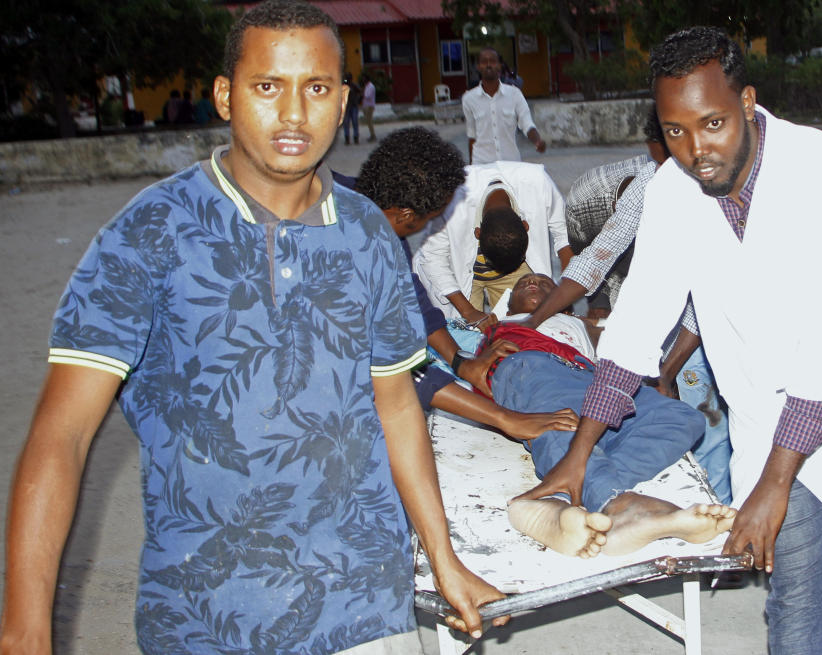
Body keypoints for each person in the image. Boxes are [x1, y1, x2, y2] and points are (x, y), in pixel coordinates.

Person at [0, 3, 507, 654]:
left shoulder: (369, 234)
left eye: (317, 88)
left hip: (367, 608)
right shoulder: (148, 234)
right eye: (268, 86)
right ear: (225, 95)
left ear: (344, 100)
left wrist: (444, 557)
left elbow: (396, 406)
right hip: (206, 619)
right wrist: (23, 630)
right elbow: (61, 435)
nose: (294, 114)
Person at [517, 27, 822, 654]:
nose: (694, 150)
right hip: (771, 421)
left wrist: (772, 483)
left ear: (747, 102)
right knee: (798, 596)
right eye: (675, 131)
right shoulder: (673, 194)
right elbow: (637, 324)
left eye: (711, 124)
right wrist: (580, 452)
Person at [519, 108, 733, 504]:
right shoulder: (656, 180)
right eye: (656, 158)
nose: (664, 168)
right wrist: (534, 320)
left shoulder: (715, 183)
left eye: (667, 159)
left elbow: (700, 300)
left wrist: (666, 374)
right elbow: (597, 257)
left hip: (714, 326)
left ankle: (717, 511)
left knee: (708, 425)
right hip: (667, 324)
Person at [480, 273, 736, 558]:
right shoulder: (497, 326)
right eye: (523, 283)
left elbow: (635, 337)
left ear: (564, 303)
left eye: (544, 283)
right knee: (562, 423)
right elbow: (458, 363)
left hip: (591, 375)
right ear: (507, 306)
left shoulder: (577, 323)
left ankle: (558, 499)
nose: (533, 284)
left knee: (682, 418)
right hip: (531, 366)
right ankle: (620, 506)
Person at [352, 126, 579, 440]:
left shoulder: (536, 182)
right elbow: (404, 365)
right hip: (452, 275)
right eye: (422, 222)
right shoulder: (440, 203)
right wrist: (502, 415)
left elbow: (562, 236)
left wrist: (459, 362)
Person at [412, 160, 573, 325]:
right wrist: (468, 311)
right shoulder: (450, 196)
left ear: (526, 225)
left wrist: (566, 294)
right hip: (459, 272)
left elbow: (564, 233)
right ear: (477, 233)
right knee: (466, 331)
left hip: (515, 269)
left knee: (525, 323)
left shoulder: (536, 180)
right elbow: (432, 258)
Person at [462, 47, 545, 164]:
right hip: (482, 164)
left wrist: (537, 141)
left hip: (511, 163)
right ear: (478, 67)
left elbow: (527, 123)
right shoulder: (469, 99)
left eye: (493, 61)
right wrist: (471, 169)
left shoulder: (515, 94)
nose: (489, 64)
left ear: (499, 66)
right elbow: (472, 135)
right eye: (484, 61)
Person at [342, 71, 361, 144]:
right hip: (346, 107)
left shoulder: (354, 85)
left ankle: (356, 137)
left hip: (353, 106)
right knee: (346, 123)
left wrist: (358, 100)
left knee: (355, 122)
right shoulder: (344, 85)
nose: (348, 79)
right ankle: (347, 138)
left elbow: (360, 92)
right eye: (347, 78)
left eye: (349, 78)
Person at [360, 73, 376, 142]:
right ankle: (372, 134)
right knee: (368, 121)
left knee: (369, 121)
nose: (363, 80)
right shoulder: (366, 86)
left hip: (369, 106)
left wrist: (362, 93)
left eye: (364, 79)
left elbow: (368, 96)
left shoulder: (371, 86)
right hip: (366, 105)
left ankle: (373, 135)